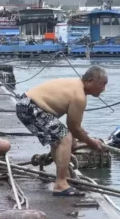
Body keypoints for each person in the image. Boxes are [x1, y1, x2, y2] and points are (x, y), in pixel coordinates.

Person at [15, 66, 107, 197]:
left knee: (59, 139)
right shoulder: (79, 95)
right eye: (102, 84)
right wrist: (91, 143)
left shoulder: (75, 86)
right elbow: (74, 128)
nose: (104, 89)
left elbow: (74, 126)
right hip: (30, 107)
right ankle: (61, 185)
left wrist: (80, 137)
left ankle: (65, 178)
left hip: (26, 104)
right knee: (65, 138)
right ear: (90, 81)